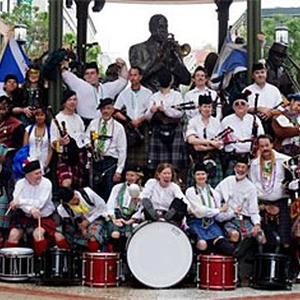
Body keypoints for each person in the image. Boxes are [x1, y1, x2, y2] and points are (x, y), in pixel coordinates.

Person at [249, 134, 291, 253]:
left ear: (272, 145)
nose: (265, 148)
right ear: (258, 147)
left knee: (285, 239)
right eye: (261, 146)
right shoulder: (254, 164)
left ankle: (285, 268)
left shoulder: (284, 160)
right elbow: (252, 184)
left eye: (267, 145)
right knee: (265, 240)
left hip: (281, 203)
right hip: (263, 204)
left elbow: (291, 181)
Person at [6, 160, 57, 257]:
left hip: (43, 217)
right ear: (27, 176)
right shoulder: (20, 184)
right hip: (24, 216)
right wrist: (30, 209)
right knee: (13, 234)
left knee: (38, 234)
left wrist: (22, 202)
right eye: (36, 174)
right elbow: (16, 201)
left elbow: (39, 203)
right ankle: (11, 267)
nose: (40, 176)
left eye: (40, 172)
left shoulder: (46, 183)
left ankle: (41, 263)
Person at [129, 14, 191, 92]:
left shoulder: (172, 50)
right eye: (161, 27)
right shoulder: (137, 49)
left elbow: (187, 80)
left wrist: (175, 60)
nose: (164, 30)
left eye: (166, 27)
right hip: (149, 96)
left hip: (173, 97)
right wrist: (159, 57)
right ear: (151, 29)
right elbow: (137, 77)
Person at [61, 59, 128, 126]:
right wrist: (64, 63)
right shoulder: (80, 85)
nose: (90, 76)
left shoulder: (107, 88)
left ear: (98, 75)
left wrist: (123, 65)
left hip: (104, 124)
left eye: (92, 73)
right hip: (86, 124)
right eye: (87, 74)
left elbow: (123, 81)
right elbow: (65, 74)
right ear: (84, 76)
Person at [145, 69, 187, 176]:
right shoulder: (154, 96)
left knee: (175, 164)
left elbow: (179, 113)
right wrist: (152, 110)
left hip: (174, 128)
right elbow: (147, 117)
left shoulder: (176, 95)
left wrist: (165, 110)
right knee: (159, 165)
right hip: (158, 128)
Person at [185, 162, 233, 255]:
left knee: (223, 243)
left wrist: (232, 212)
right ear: (194, 176)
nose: (200, 176)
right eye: (198, 174)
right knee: (202, 244)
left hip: (211, 223)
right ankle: (200, 266)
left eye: (203, 174)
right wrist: (219, 210)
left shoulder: (214, 193)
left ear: (207, 175)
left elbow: (218, 216)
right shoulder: (190, 191)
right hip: (196, 222)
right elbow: (200, 211)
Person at [86, 98, 127, 201]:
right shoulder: (94, 124)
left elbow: (122, 150)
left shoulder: (119, 127)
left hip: (110, 162)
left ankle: (107, 213)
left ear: (113, 110)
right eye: (103, 108)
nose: (106, 111)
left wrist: (119, 171)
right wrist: (88, 145)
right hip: (95, 160)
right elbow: (86, 138)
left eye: (108, 108)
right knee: (94, 189)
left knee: (108, 190)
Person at [114, 67, 152, 172]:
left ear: (140, 77)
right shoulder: (124, 93)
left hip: (143, 126)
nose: (133, 78)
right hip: (129, 127)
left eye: (135, 75)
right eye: (131, 75)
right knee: (129, 157)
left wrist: (140, 120)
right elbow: (115, 110)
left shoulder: (148, 93)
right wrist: (128, 121)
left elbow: (150, 111)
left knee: (143, 159)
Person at [215, 157, 262, 243]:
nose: (240, 170)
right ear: (234, 168)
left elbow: (254, 211)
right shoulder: (227, 181)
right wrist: (220, 207)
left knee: (260, 237)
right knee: (234, 235)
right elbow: (215, 196)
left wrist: (257, 224)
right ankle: (234, 255)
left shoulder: (251, 188)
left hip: (245, 219)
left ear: (247, 170)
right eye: (238, 166)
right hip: (228, 219)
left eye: (243, 167)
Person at [221, 92, 264, 176]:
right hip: (233, 158)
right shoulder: (226, 121)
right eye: (236, 104)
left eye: (242, 103)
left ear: (247, 107)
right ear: (233, 107)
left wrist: (257, 157)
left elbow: (261, 138)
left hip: (251, 157)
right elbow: (222, 141)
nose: (240, 105)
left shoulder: (254, 119)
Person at [50, 90, 86, 188]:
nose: (72, 102)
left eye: (74, 99)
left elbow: (82, 137)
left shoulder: (78, 118)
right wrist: (60, 142)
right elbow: (53, 143)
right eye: (69, 99)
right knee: (66, 183)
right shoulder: (58, 118)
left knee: (77, 186)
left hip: (78, 156)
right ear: (64, 102)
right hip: (65, 156)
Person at [55, 186, 107, 252]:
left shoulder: (88, 193)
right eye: (73, 200)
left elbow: (102, 208)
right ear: (66, 203)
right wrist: (82, 228)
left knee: (93, 236)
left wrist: (88, 221)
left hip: (97, 217)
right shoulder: (62, 209)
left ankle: (91, 258)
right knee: (60, 236)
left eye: (75, 195)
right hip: (80, 224)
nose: (77, 198)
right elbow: (73, 220)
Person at [186, 93, 223, 187]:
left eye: (209, 106)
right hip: (197, 158)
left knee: (214, 188)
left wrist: (201, 145)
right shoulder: (193, 121)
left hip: (213, 158)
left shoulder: (216, 122)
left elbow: (220, 144)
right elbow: (191, 140)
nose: (207, 109)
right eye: (205, 106)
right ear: (199, 107)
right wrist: (210, 142)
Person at [106, 165, 142, 252]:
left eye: (132, 175)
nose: (129, 178)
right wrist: (114, 219)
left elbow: (140, 210)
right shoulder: (117, 188)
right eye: (127, 175)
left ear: (137, 176)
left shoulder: (142, 191)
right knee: (115, 234)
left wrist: (128, 221)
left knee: (128, 234)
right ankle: (116, 258)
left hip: (131, 219)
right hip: (117, 217)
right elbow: (110, 204)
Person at [243, 62, 283, 135]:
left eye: (262, 72)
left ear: (266, 74)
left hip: (272, 125)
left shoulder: (274, 90)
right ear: (252, 76)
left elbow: (281, 109)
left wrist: (270, 112)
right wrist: (259, 109)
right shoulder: (247, 90)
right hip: (253, 124)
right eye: (257, 73)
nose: (260, 75)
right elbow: (242, 109)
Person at [23, 107, 52, 175]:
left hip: (43, 163)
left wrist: (46, 164)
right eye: (37, 115)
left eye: (42, 115)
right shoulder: (28, 129)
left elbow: (50, 150)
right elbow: (24, 147)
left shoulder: (50, 130)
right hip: (29, 161)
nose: (39, 117)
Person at [272, 92, 300, 156]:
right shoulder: (278, 113)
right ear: (292, 101)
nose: (299, 109)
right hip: (282, 151)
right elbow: (283, 132)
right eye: (298, 105)